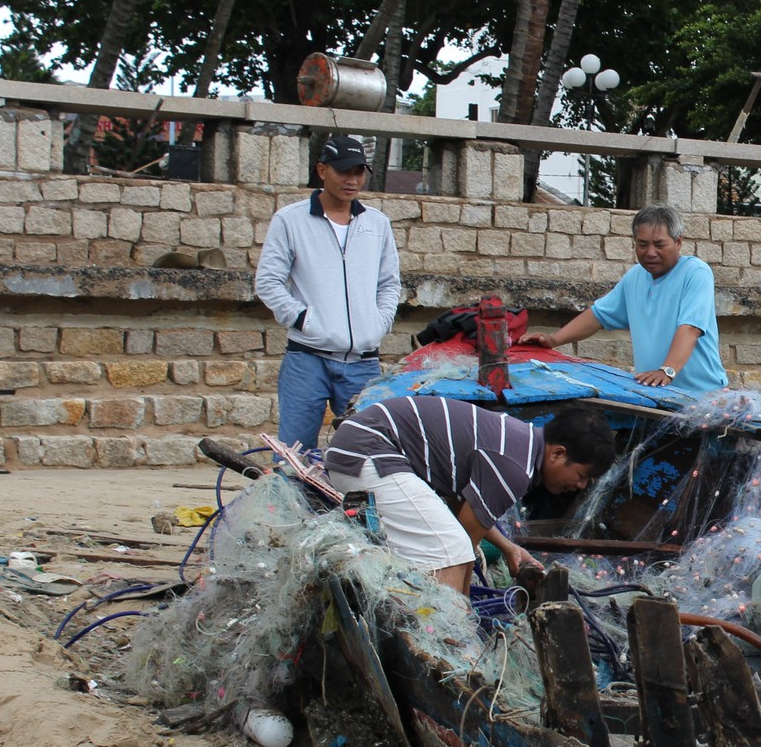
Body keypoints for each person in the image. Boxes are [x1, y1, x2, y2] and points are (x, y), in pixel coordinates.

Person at [322, 397, 616, 595]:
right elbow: (463, 543)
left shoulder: (521, 445)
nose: (580, 486)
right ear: (557, 454)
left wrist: (508, 548)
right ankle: (446, 641)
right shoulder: (514, 466)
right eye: (581, 476)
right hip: (368, 451)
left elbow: (469, 510)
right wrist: (465, 615)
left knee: (453, 547)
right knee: (450, 549)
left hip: (363, 449)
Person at [254, 134, 403, 448]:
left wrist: (379, 323)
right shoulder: (290, 220)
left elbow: (389, 284)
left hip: (364, 361)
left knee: (370, 452)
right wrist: (303, 320)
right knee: (295, 453)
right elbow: (268, 281)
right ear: (322, 170)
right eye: (344, 171)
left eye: (359, 172)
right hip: (308, 358)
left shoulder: (377, 224)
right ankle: (292, 499)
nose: (352, 180)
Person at [518, 203, 727, 392]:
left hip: (701, 396)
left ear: (678, 242)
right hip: (655, 392)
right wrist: (553, 340)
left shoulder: (696, 272)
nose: (650, 252)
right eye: (642, 244)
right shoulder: (635, 277)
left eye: (659, 245)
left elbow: (690, 328)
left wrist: (667, 371)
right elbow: (598, 315)